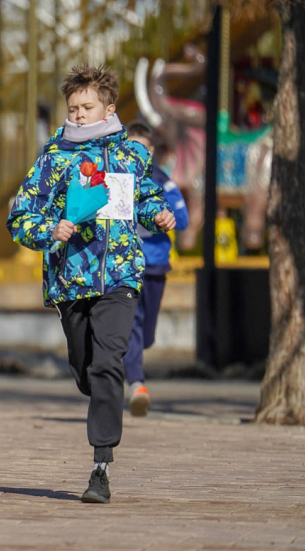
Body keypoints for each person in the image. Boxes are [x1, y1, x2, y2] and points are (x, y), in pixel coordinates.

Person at [7, 64, 175, 504]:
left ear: (108, 108)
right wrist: (50, 231)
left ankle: (100, 464)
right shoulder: (53, 158)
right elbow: (21, 217)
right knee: (87, 369)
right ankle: (93, 381)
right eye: (73, 108)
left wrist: (158, 215)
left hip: (121, 275)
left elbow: (146, 199)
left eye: (87, 107)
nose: (79, 115)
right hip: (71, 282)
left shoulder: (131, 156)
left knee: (108, 364)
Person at [124, 121, 189, 417]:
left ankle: (135, 366)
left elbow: (184, 218)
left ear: (151, 151)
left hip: (156, 265)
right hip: (125, 266)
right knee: (131, 326)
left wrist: (158, 212)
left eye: (141, 148)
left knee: (145, 332)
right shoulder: (113, 180)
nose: (135, 154)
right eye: (130, 147)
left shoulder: (162, 181)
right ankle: (137, 384)